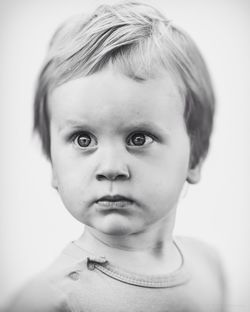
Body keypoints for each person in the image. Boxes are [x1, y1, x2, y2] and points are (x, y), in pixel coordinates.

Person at [3, 1, 227, 311]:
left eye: (139, 138)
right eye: (83, 139)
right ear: (53, 164)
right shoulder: (51, 301)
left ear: (196, 156)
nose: (110, 168)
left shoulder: (209, 267)